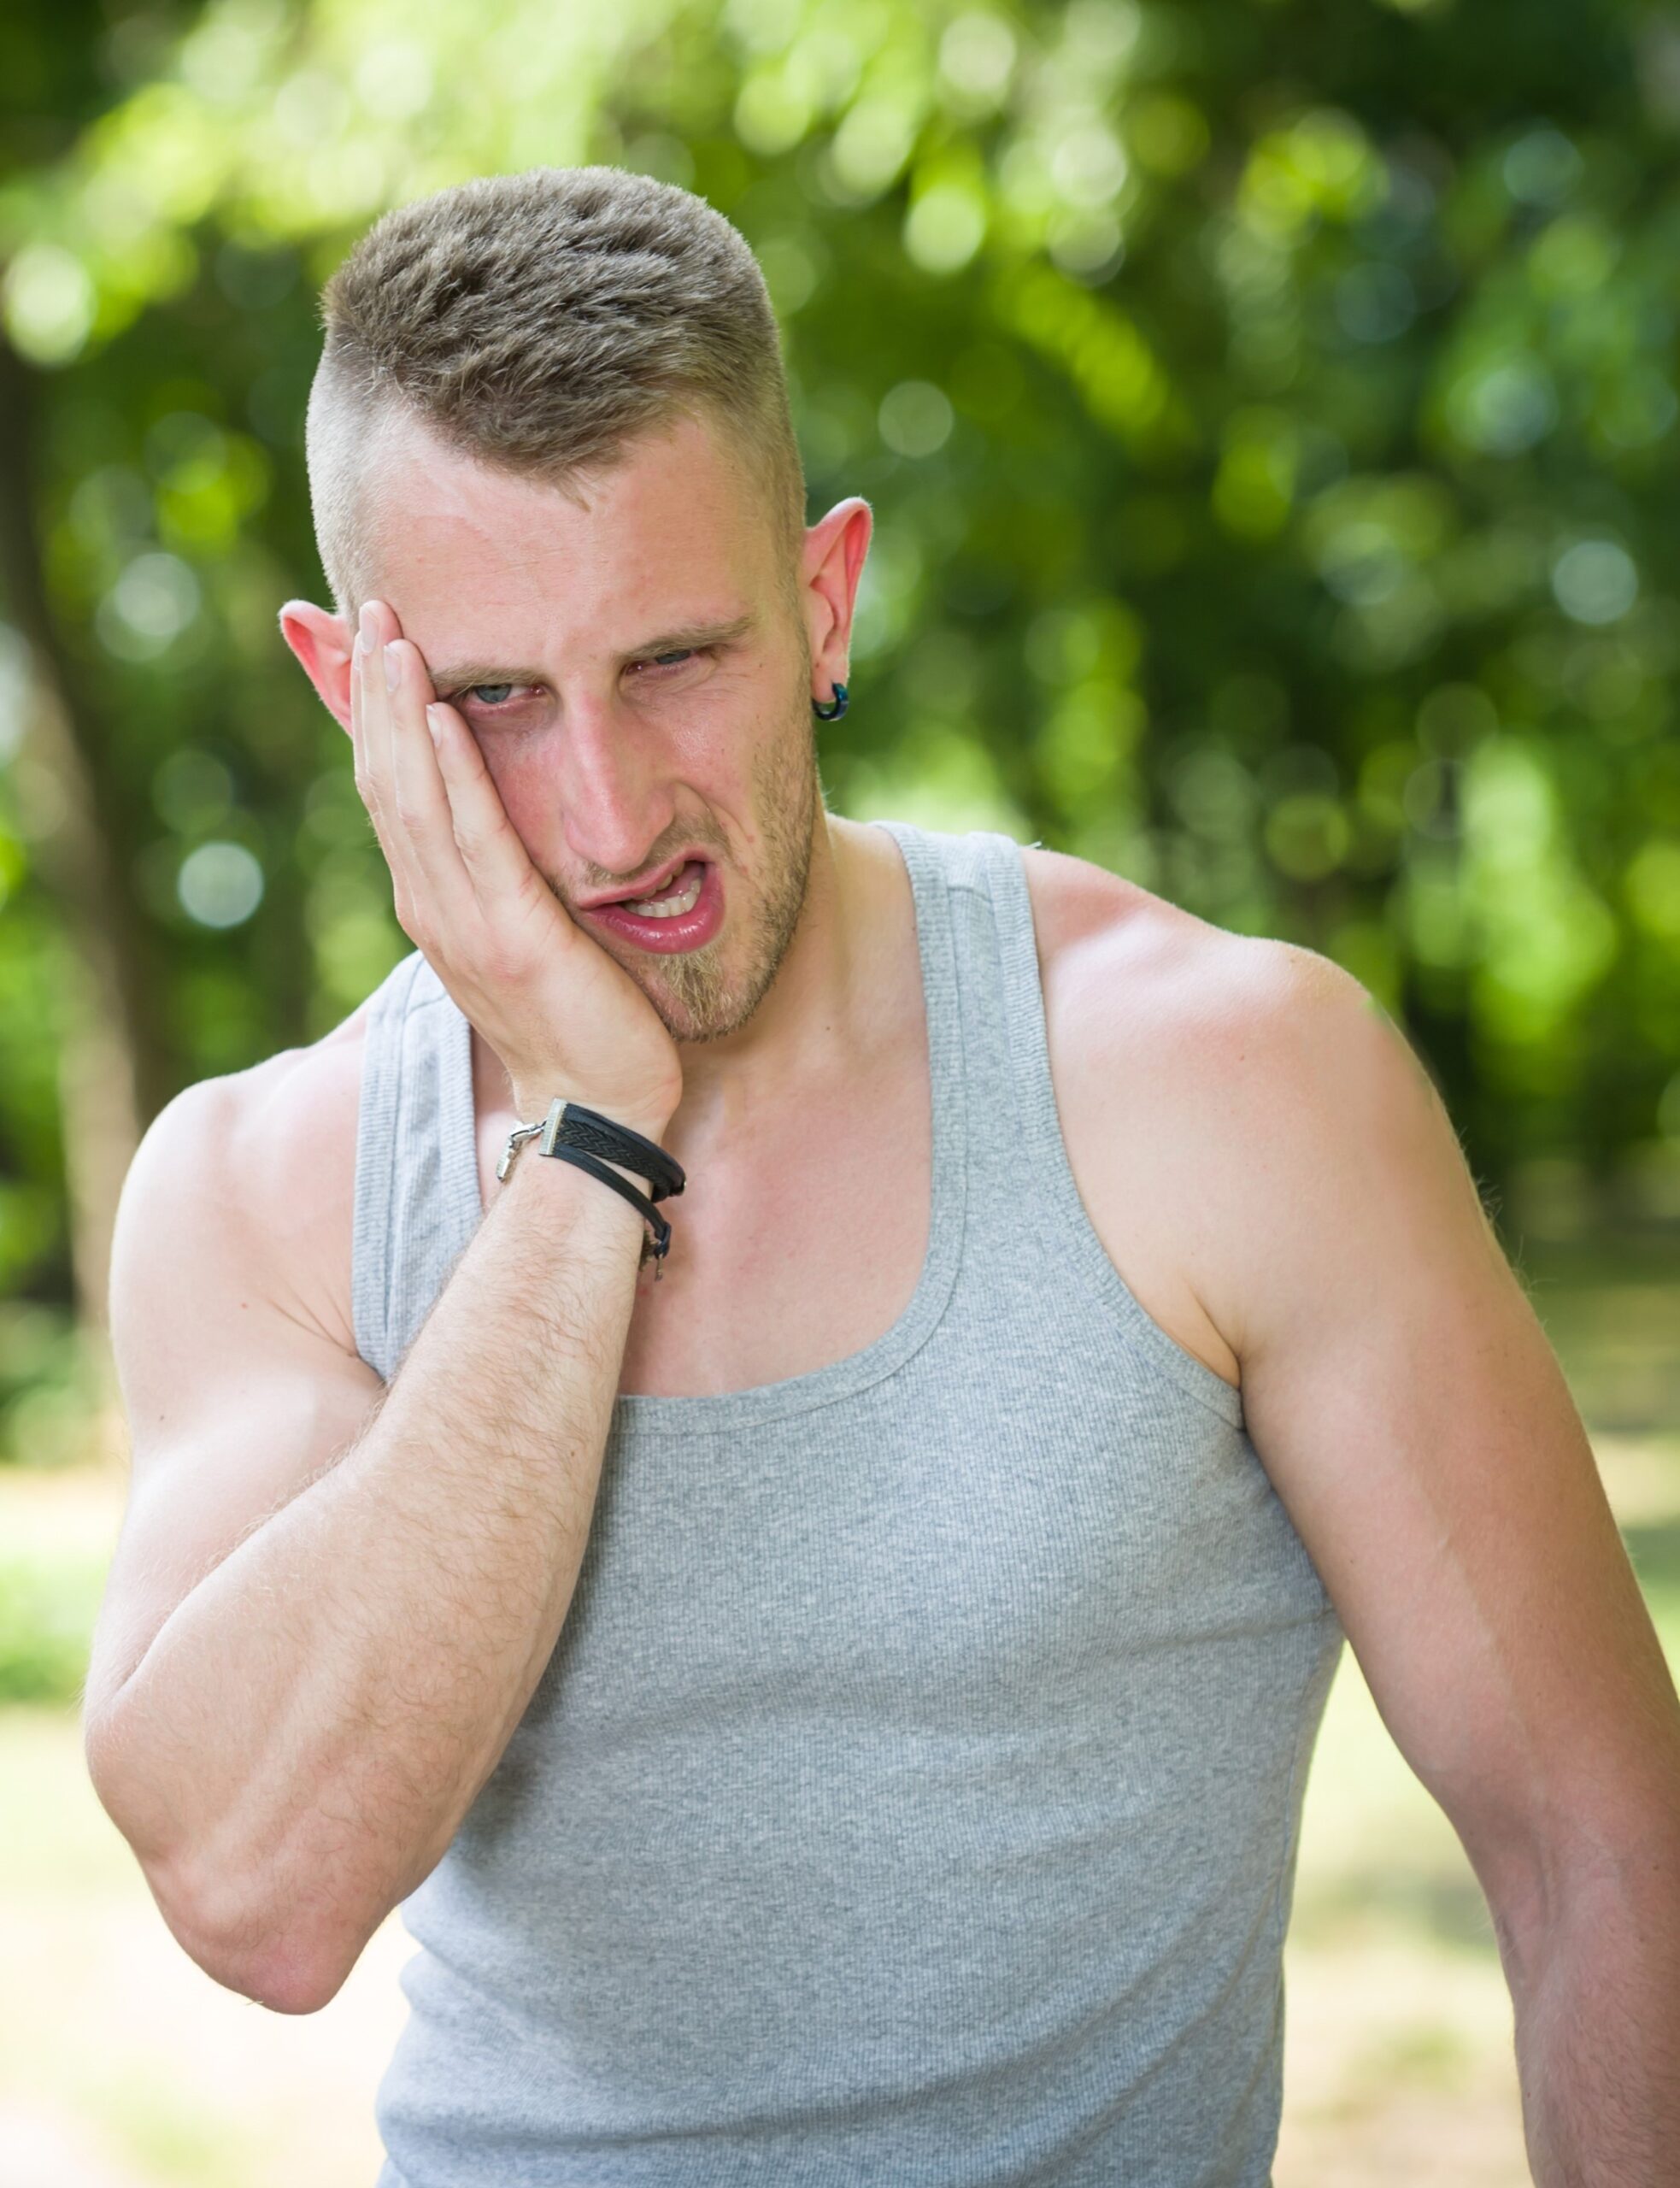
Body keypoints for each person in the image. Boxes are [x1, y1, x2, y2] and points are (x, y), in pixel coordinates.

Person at [83, 165, 1680, 2188]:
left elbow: (1601, 1847)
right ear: (354, 693)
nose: (606, 811)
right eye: (493, 698)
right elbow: (254, 1885)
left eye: (674, 660)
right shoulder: (260, 1186)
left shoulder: (1220, 1080)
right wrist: (591, 1134)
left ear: (822, 598)